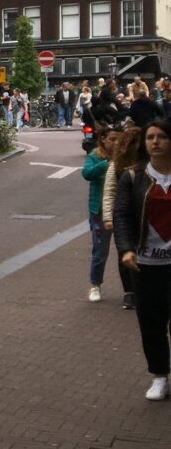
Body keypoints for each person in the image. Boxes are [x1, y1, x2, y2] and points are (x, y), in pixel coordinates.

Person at [113, 120, 171, 400]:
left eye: (161, 137)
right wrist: (126, 248)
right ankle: (159, 376)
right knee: (152, 324)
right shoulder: (133, 176)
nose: (155, 142)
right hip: (146, 266)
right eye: (150, 137)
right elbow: (122, 215)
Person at [102, 125, 140, 309]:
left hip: (145, 216)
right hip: (123, 216)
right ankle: (129, 292)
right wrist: (108, 217)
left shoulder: (152, 165)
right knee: (124, 251)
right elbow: (109, 192)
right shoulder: (116, 166)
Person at [82, 134, 111, 303]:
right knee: (100, 250)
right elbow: (87, 173)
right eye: (111, 139)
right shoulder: (95, 156)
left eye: (118, 139)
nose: (114, 143)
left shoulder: (126, 156)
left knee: (128, 249)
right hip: (99, 210)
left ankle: (131, 290)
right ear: (103, 140)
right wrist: (106, 165)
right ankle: (95, 285)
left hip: (121, 210)